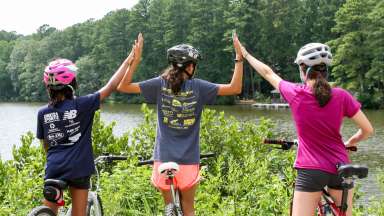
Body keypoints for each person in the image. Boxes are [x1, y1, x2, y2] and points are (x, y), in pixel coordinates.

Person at [239, 42, 374, 216]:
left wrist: (246, 54)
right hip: (341, 167)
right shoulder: (341, 95)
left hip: (311, 170)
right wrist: (350, 142)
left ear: (303, 69)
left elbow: (267, 72)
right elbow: (367, 129)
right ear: (325, 71)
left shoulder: (296, 93)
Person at [117, 33, 243, 216]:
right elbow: (235, 88)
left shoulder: (160, 84)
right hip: (189, 161)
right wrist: (239, 58)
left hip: (163, 158)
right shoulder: (199, 87)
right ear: (190, 67)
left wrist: (135, 60)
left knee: (169, 207)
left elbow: (123, 87)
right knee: (188, 208)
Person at [36, 35, 139, 216]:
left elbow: (46, 145)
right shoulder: (83, 105)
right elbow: (111, 85)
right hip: (79, 168)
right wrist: (128, 60)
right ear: (72, 83)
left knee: (49, 212)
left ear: (48, 86)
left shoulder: (43, 113)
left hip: (54, 168)